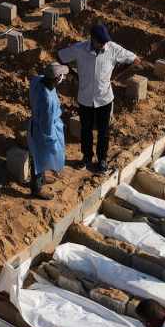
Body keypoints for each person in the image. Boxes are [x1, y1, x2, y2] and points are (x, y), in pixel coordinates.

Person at [58, 23, 139, 174]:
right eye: (100, 42)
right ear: (92, 39)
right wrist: (74, 74)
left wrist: (115, 75)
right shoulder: (80, 49)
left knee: (103, 131)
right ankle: (86, 157)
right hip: (85, 99)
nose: (103, 45)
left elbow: (135, 60)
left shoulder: (112, 48)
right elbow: (61, 56)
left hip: (104, 99)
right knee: (86, 130)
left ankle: (102, 159)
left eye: (105, 42)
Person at [27, 62, 69, 201]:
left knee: (39, 156)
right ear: (56, 79)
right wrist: (52, 141)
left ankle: (43, 178)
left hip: (35, 124)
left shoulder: (38, 80)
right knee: (39, 157)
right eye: (61, 76)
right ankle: (36, 188)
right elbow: (47, 126)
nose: (63, 78)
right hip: (42, 131)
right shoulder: (48, 101)